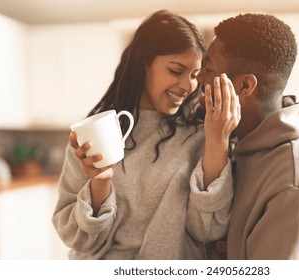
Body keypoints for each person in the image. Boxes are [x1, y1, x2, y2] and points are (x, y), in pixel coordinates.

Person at [52, 10, 240, 260]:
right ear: (143, 64)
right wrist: (101, 183)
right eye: (176, 70)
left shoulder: (201, 135)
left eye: (194, 75)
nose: (187, 85)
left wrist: (217, 142)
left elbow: (208, 229)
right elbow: (77, 239)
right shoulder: (93, 135)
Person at [197, 13, 299, 259]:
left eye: (207, 68)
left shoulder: (297, 182)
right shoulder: (243, 144)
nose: (198, 78)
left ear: (243, 87)